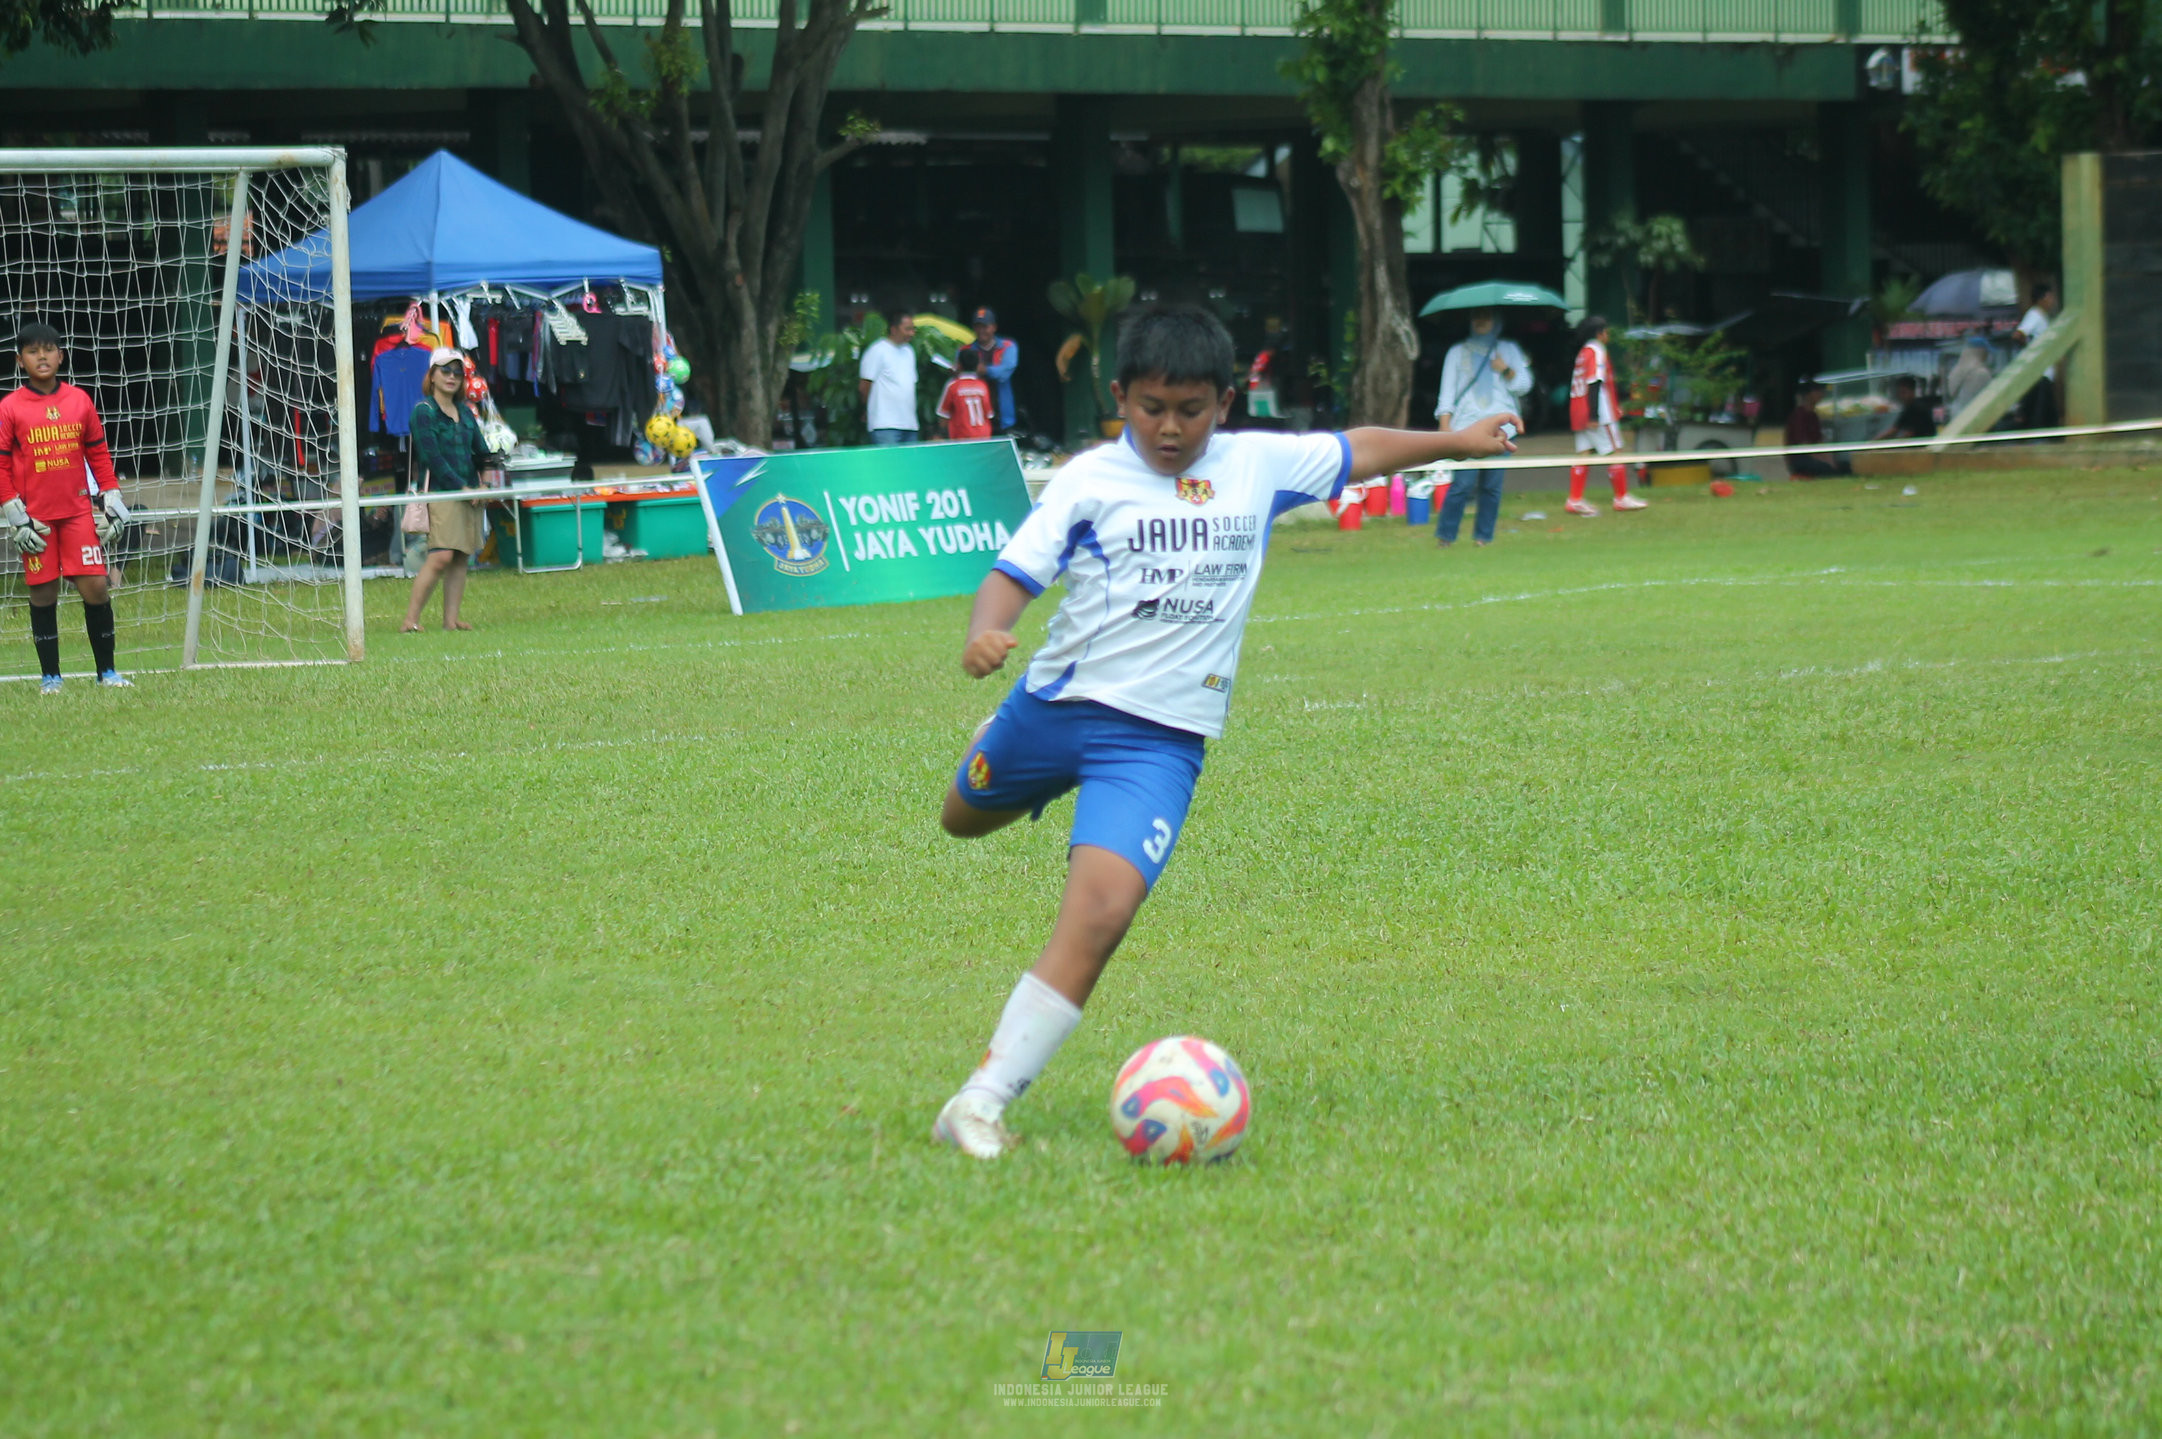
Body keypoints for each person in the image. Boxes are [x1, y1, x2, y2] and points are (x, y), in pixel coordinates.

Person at [927, 304, 1520, 1160]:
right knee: (960, 817)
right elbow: (1012, 573)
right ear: (1120, 395)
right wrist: (988, 630)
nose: (1171, 428)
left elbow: (1361, 448)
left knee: (1103, 911)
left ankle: (979, 1100)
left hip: (1158, 743)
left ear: (1227, 402)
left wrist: (1457, 441)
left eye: (1192, 409)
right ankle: (998, 747)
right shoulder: (1088, 480)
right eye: (1152, 407)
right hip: (1052, 711)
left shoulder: (1257, 465)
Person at [0, 321, 131, 692]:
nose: (41, 357)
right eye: (32, 351)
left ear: (61, 356)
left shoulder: (79, 400)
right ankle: (50, 678)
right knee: (43, 593)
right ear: (19, 360)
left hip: (77, 515)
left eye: (48, 350)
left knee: (96, 588)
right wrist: (14, 514)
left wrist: (112, 497)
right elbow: (2, 464)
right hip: (36, 520)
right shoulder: (9, 408)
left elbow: (98, 455)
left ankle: (107, 672)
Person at [401, 349, 499, 634]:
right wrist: (465, 488)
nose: (452, 377)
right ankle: (410, 620)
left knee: (460, 556)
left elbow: (483, 453)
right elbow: (432, 458)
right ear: (431, 376)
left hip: (469, 493)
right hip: (442, 493)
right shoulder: (424, 411)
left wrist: (486, 484)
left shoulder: (467, 413)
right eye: (445, 371)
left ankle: (451, 621)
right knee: (441, 555)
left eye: (458, 373)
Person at [1432, 308, 1533, 547]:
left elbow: (1524, 385)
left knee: (1492, 486)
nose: (1480, 322)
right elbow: (1446, 393)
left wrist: (1505, 369)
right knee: (1463, 484)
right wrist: (1445, 427)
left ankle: (1483, 537)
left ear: (1496, 321)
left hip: (1502, 428)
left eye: (1486, 318)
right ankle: (1446, 537)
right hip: (1467, 427)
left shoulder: (1508, 349)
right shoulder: (1457, 352)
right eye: (1476, 317)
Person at [1565, 315, 1647, 517]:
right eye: (1606, 331)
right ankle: (1621, 497)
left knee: (1584, 454)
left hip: (1578, 407)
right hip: (1599, 412)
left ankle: (1574, 499)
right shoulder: (1597, 351)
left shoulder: (1583, 352)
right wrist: (1595, 415)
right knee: (1615, 451)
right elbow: (1595, 382)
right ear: (1599, 334)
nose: (1608, 335)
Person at [859, 313, 919, 446]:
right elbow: (865, 386)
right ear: (894, 329)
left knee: (909, 466)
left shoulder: (909, 352)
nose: (912, 333)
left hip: (910, 424)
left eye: (913, 329)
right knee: (889, 466)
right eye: (907, 329)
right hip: (884, 424)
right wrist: (868, 408)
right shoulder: (877, 350)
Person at [965, 306, 1020, 433]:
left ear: (994, 327)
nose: (981, 330)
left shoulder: (1008, 346)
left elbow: (1005, 373)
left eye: (985, 326)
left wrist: (984, 370)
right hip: (975, 420)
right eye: (978, 326)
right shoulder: (965, 350)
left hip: (1003, 417)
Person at [2014, 281, 2060, 430]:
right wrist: (2031, 352)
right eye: (2050, 297)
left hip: (2045, 372)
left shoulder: (2043, 316)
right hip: (2039, 373)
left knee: (2046, 412)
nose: (2053, 301)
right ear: (2043, 298)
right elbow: (2019, 335)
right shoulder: (2034, 314)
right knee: (2041, 414)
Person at [1783, 380, 1851, 478]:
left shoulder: (1814, 415)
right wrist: (1825, 461)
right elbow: (1804, 445)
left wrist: (1830, 460)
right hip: (1801, 459)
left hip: (1816, 455)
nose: (1821, 394)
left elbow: (1819, 441)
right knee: (1827, 470)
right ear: (1808, 394)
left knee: (1845, 467)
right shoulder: (1798, 415)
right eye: (1817, 391)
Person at [937, 348, 996, 441]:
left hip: (962, 437)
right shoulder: (983, 386)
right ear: (977, 366)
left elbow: (943, 416)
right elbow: (989, 414)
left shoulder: (953, 386)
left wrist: (940, 434)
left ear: (959, 365)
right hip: (983, 436)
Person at [1873, 375, 1937, 442]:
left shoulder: (1918, 409)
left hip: (1923, 446)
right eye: (1899, 393)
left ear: (1912, 392)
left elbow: (1909, 435)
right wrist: (1874, 442)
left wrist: (1893, 444)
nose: (1901, 396)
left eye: (1904, 392)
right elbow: (1894, 430)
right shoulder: (1908, 409)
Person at [1944, 336, 1994, 418]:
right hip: (1975, 418)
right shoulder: (1981, 373)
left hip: (1956, 416)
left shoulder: (1955, 370)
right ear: (1980, 352)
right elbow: (1989, 399)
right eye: (1986, 352)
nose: (1987, 355)